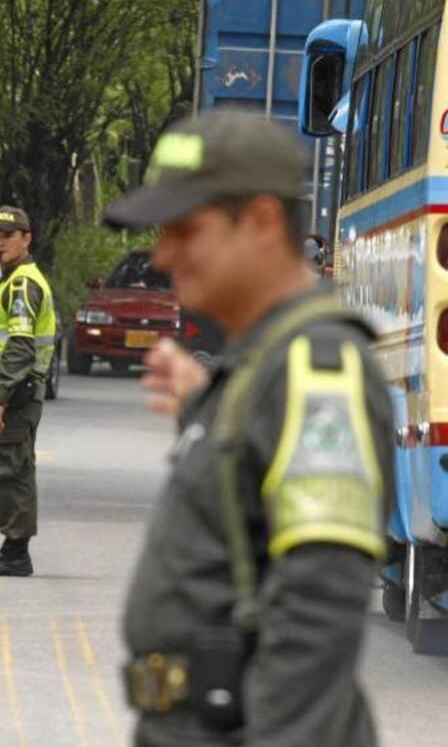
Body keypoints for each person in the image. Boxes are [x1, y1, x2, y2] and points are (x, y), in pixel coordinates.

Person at [105, 111, 391, 747]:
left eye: (185, 229)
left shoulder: (317, 367)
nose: (163, 255)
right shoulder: (260, 366)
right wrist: (202, 407)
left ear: (261, 221)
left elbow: (318, 607)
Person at [0, 206, 56, 577]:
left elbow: (19, 346)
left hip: (16, 394)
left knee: (11, 471)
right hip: (6, 391)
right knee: (4, 468)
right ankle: (12, 549)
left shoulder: (21, 284)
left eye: (8, 235)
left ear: (26, 239)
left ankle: (16, 553)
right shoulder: (9, 280)